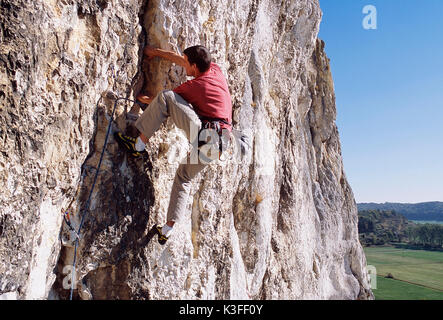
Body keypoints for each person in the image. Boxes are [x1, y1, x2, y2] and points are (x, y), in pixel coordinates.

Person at [114, 45, 233, 245]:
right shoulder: (215, 70)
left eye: (187, 63)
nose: (182, 64)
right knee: (184, 177)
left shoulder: (196, 86)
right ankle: (167, 229)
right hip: (221, 143)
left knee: (166, 97)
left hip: (207, 134)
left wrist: (143, 100)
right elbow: (180, 59)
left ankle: (137, 146)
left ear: (194, 67)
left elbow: (165, 101)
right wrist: (157, 53)